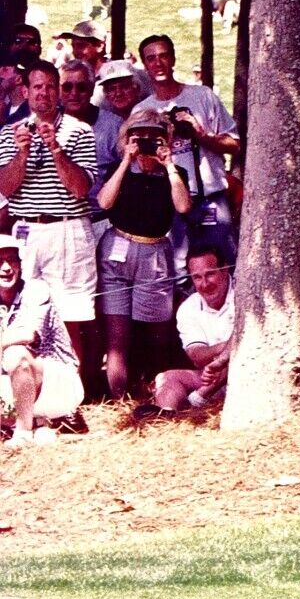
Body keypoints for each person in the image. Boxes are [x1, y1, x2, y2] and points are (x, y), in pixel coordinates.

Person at [0, 59, 97, 372]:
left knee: (69, 316)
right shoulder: (8, 134)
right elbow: (6, 188)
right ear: (26, 91)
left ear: (58, 92)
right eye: (37, 86)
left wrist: (56, 149)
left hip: (68, 229)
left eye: (50, 87)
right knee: (24, 312)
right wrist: (22, 153)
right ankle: (28, 390)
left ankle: (70, 395)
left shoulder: (80, 131)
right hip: (26, 232)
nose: (43, 93)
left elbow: (81, 188)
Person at [96, 106, 192, 398]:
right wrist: (128, 159)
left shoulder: (175, 173)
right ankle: (118, 396)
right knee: (117, 335)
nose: (147, 143)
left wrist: (169, 165)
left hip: (154, 253)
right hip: (117, 250)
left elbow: (183, 206)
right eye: (140, 137)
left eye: (155, 137)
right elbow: (104, 202)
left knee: (156, 331)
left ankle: (158, 392)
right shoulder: (119, 169)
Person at [137, 34, 239, 255]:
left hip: (210, 198)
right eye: (151, 58)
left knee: (221, 261)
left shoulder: (202, 96)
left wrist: (201, 135)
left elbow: (234, 144)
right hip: (170, 201)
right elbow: (143, 166)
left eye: (163, 56)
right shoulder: (142, 111)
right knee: (179, 271)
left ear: (173, 59)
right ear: (144, 65)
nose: (158, 63)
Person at [0, 233, 83, 445]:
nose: (7, 268)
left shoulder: (36, 290)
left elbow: (27, 334)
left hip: (56, 384)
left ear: (20, 264)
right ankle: (40, 423)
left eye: (12, 260)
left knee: (15, 354)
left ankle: (23, 432)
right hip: (14, 384)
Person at [154, 244, 235, 412]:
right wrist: (228, 347)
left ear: (225, 270)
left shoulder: (245, 294)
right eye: (197, 277)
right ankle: (166, 417)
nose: (204, 284)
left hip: (246, 375)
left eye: (210, 274)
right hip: (211, 378)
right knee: (166, 378)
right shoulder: (189, 307)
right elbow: (196, 355)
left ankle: (199, 398)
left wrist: (228, 353)